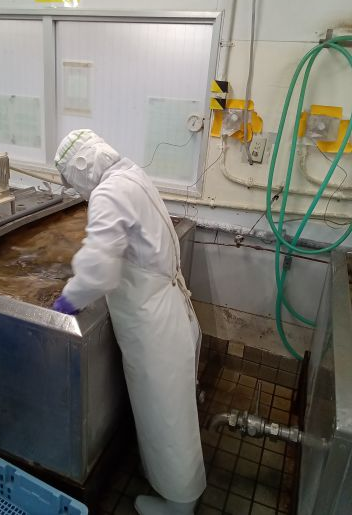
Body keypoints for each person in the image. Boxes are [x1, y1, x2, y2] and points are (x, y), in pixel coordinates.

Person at [53, 129, 206, 515]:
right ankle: (175, 487)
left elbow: (99, 268)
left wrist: (67, 300)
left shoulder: (108, 193)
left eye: (72, 181)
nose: (78, 191)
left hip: (151, 325)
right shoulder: (130, 173)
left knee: (165, 415)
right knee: (173, 411)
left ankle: (179, 504)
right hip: (167, 309)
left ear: (81, 167)